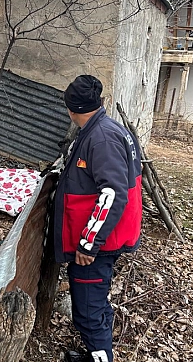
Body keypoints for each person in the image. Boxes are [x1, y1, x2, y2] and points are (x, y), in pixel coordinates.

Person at [52, 75, 143, 362]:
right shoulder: (102, 128)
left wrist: (89, 243)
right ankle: (97, 355)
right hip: (105, 238)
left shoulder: (101, 138)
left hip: (99, 244)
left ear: (71, 108)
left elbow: (113, 194)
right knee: (95, 300)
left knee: (88, 309)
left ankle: (101, 357)